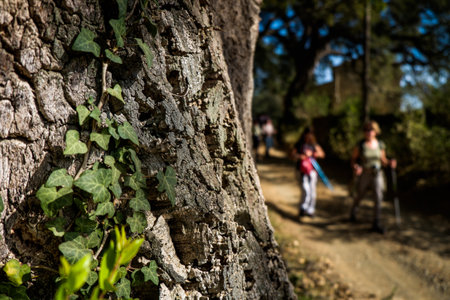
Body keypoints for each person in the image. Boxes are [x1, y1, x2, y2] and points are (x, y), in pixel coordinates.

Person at [350, 120, 397, 234]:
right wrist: (356, 167)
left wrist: (390, 163)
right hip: (365, 173)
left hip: (377, 173)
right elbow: (353, 160)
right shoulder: (360, 145)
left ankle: (376, 222)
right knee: (360, 194)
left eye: (370, 130)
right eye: (366, 130)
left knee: (378, 197)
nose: (368, 132)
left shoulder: (380, 144)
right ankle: (353, 210)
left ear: (375, 131)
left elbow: (383, 160)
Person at [292, 128, 325, 218]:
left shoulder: (314, 145)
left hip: (312, 171)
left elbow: (322, 154)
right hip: (301, 170)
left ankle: (310, 210)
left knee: (312, 191)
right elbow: (293, 154)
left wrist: (313, 154)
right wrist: (300, 156)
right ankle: (303, 208)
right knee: (305, 190)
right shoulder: (299, 144)